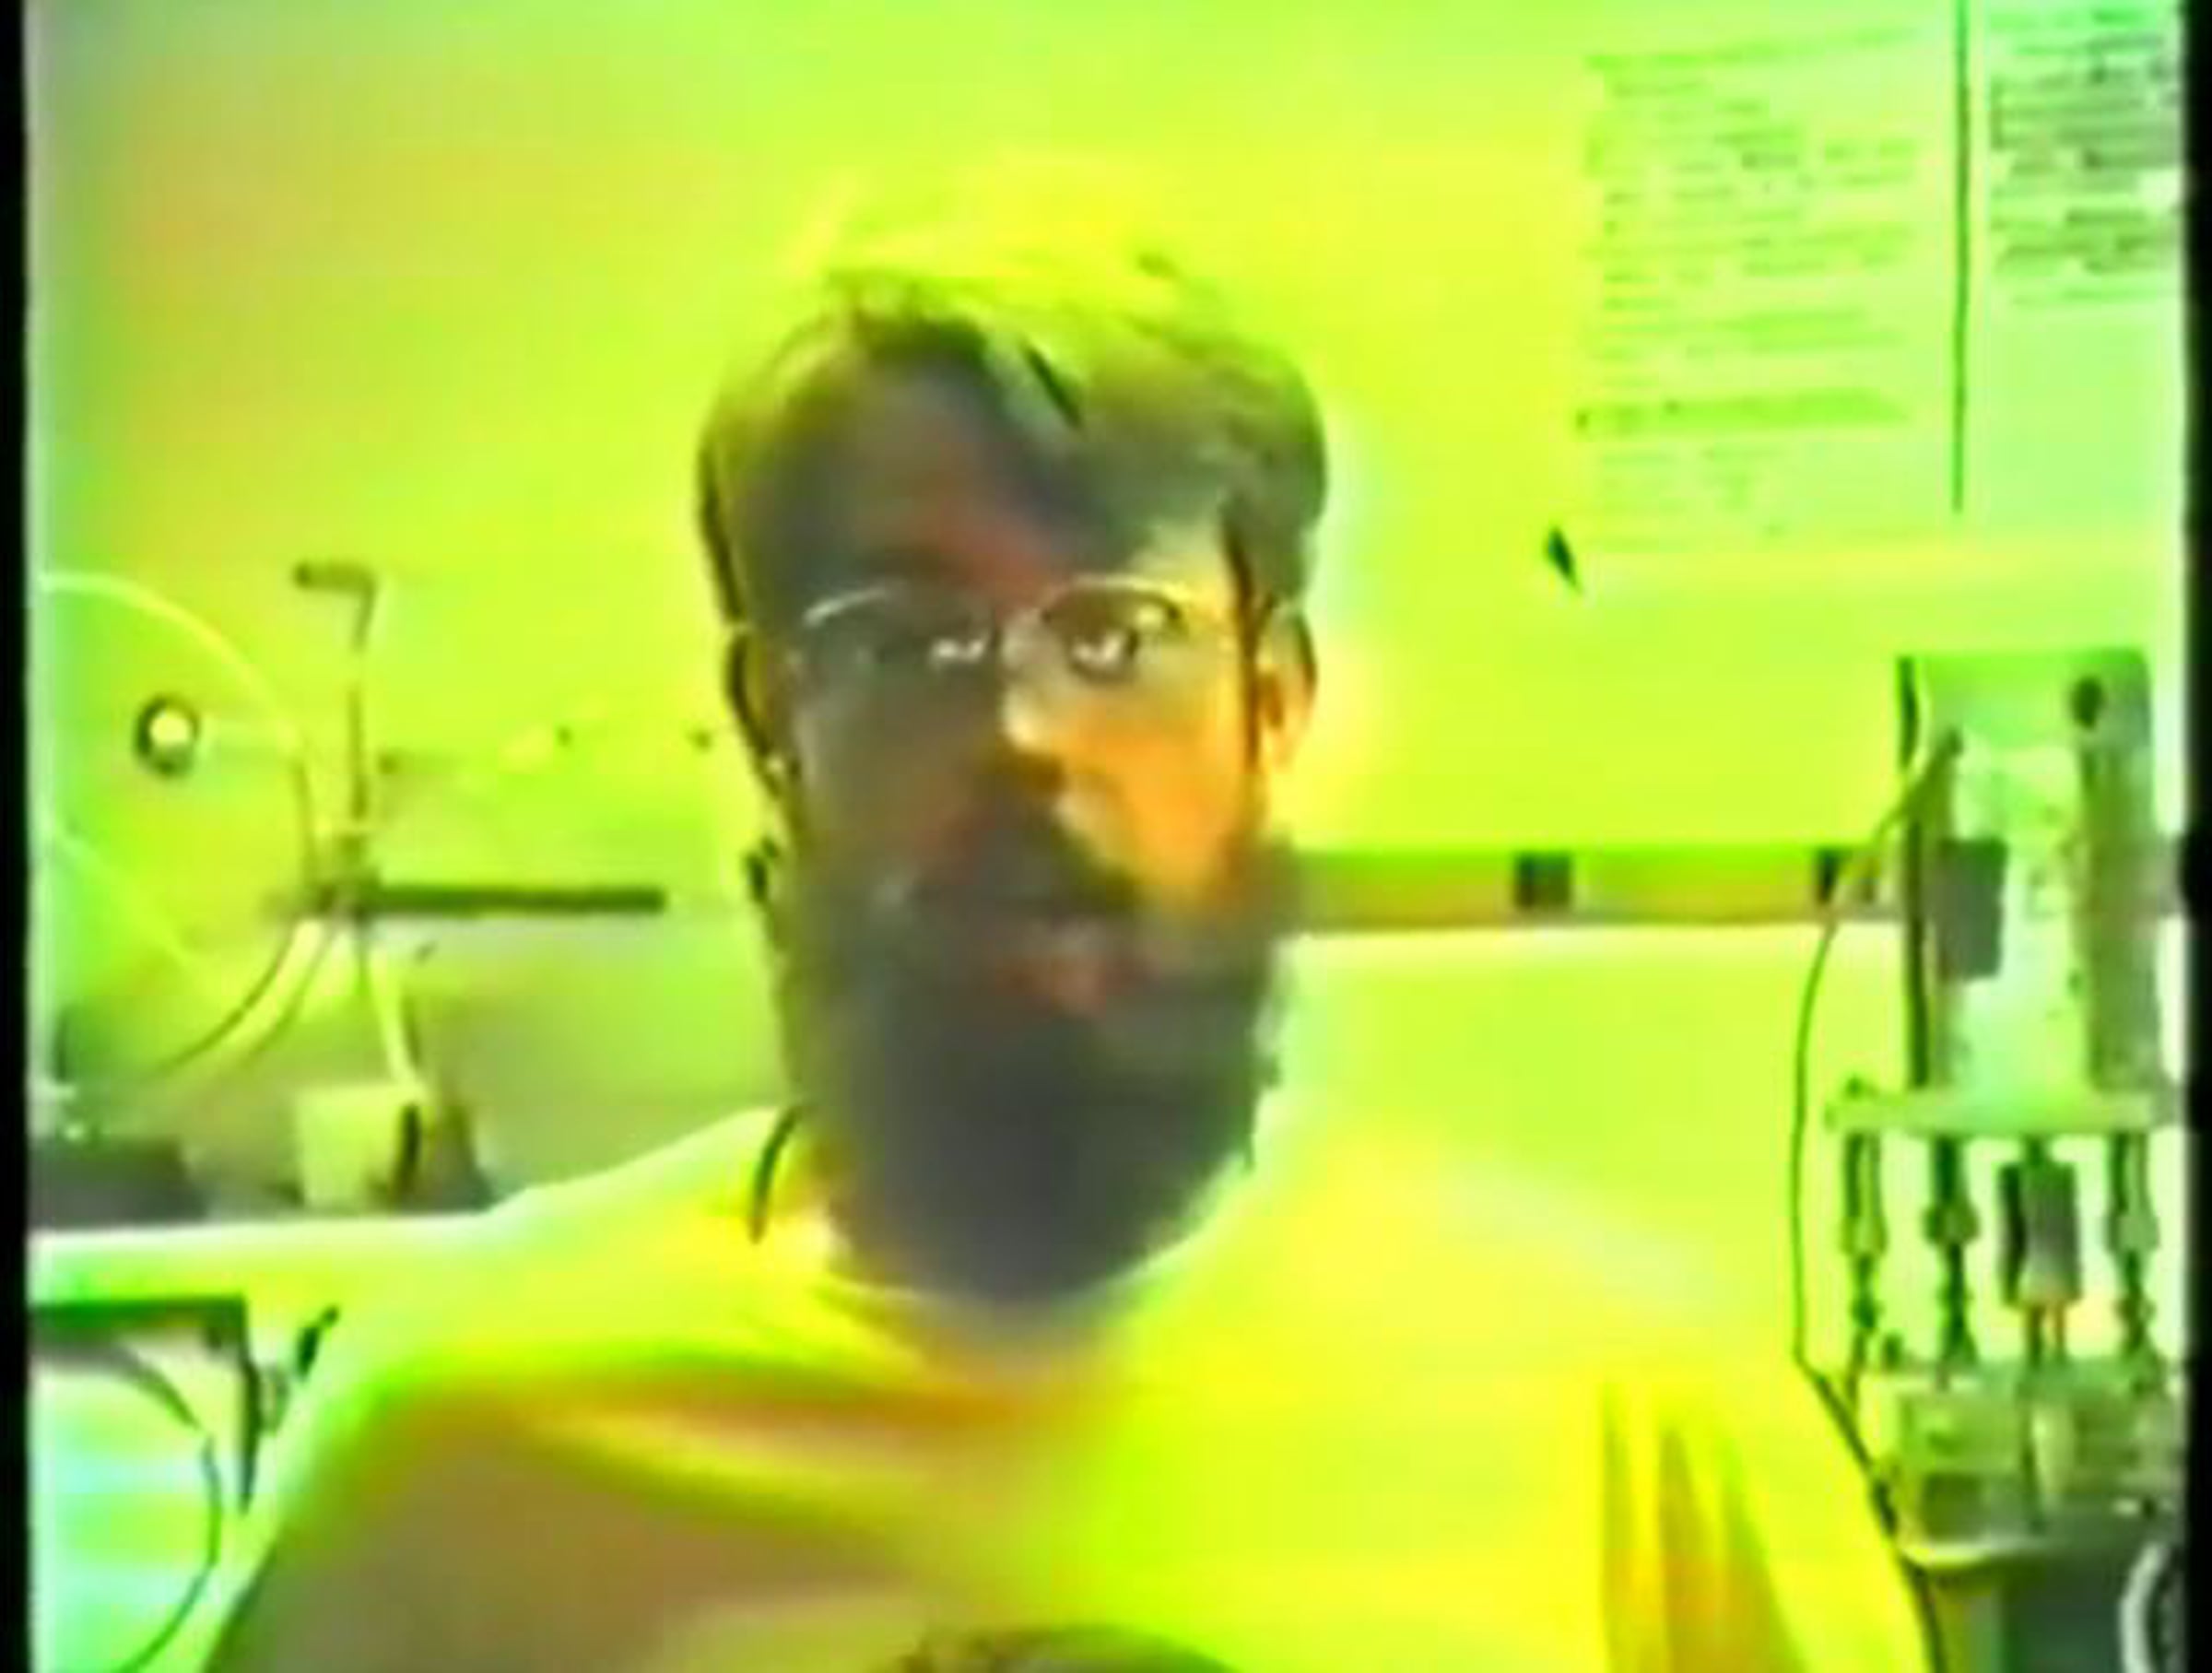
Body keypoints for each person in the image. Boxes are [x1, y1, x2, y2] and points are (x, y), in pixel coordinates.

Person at [202, 185, 1935, 1671]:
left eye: (1114, 636)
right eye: (906, 642)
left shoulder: (1629, 1425)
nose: (1024, 736)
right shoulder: (466, 1445)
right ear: (770, 721)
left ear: (1272, 701)